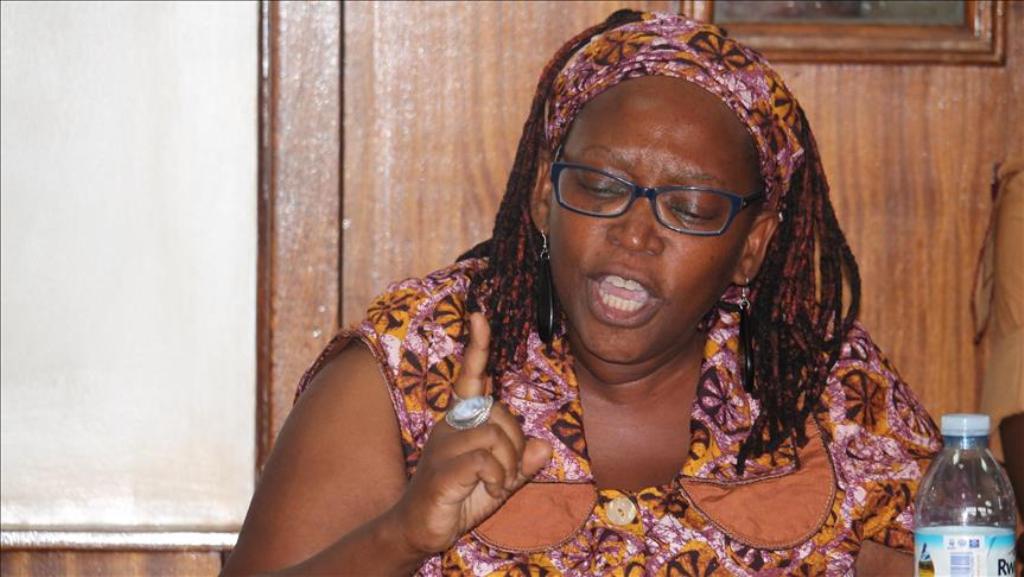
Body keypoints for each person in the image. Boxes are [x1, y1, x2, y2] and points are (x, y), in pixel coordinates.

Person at [222, 10, 941, 576]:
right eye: (599, 186)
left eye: (690, 207)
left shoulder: (825, 382)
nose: (636, 232)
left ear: (751, 247)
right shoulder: (419, 358)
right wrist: (402, 534)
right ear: (542, 197)